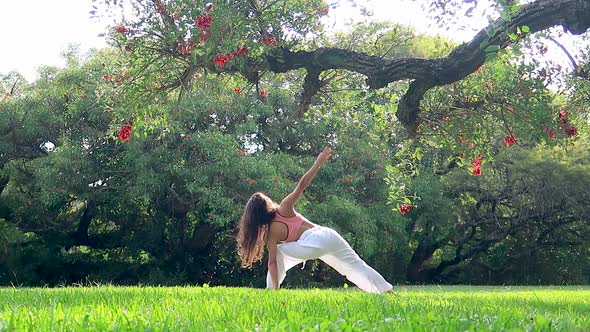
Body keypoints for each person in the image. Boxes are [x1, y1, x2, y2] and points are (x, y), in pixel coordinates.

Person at [236, 147, 393, 294]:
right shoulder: (284, 208)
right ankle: (387, 291)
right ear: (265, 206)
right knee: (356, 265)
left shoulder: (271, 232)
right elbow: (301, 185)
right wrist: (318, 162)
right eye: (267, 199)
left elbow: (272, 263)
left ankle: (272, 293)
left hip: (315, 241)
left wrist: (275, 288)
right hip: (328, 235)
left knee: (279, 254)